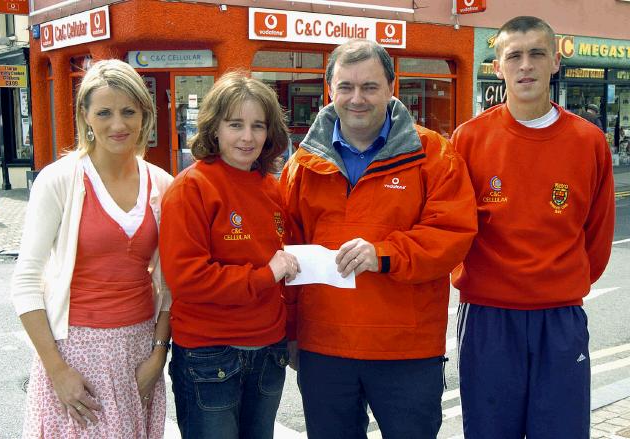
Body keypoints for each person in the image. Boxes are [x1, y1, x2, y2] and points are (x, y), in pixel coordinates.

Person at [279, 39, 478, 439]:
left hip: (406, 350)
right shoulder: (301, 165)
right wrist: (290, 333)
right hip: (324, 347)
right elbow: (287, 260)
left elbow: (451, 234)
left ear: (391, 88)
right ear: (330, 90)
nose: (357, 98)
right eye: (346, 87)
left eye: (369, 87)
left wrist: (383, 254)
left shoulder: (434, 155)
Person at [451, 16, 616, 439]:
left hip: (559, 318)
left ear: (555, 62)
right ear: (497, 67)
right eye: (515, 56)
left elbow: (597, 236)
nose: (526, 65)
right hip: (488, 319)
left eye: (537, 54)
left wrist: (558, 283)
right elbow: (452, 228)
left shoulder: (589, 141)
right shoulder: (468, 139)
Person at [11, 59, 173, 438]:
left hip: (137, 350)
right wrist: (57, 370)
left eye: (128, 111)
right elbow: (25, 281)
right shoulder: (59, 181)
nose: (118, 125)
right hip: (74, 353)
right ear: (85, 116)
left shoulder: (163, 185)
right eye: (104, 112)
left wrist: (158, 354)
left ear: (144, 114)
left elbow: (169, 286)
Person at [159, 71, 300, 439]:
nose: (248, 137)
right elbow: (188, 279)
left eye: (258, 126)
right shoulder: (191, 188)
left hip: (269, 350)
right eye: (235, 124)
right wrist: (265, 275)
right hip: (210, 354)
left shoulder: (273, 188)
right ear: (215, 128)